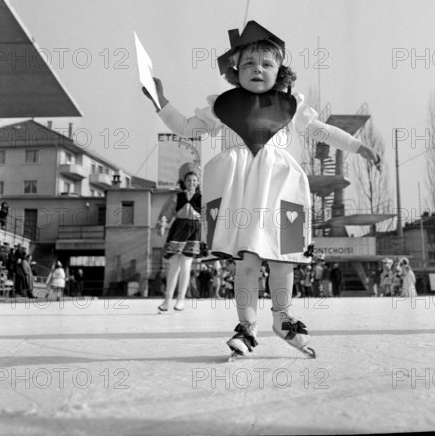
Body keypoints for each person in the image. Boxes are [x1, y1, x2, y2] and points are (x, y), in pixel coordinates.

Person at [144, 21, 380, 357]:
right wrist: (160, 100)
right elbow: (185, 127)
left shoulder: (290, 105)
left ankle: (282, 318)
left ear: (280, 70)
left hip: (284, 191)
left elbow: (322, 131)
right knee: (248, 263)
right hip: (242, 195)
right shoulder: (222, 106)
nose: (258, 69)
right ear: (235, 69)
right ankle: (247, 326)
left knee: (284, 261)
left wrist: (360, 147)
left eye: (268, 64)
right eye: (250, 63)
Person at [156, 165, 202, 312]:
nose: (192, 183)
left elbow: (210, 216)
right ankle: (167, 300)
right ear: (184, 181)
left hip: (194, 231)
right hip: (178, 230)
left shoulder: (202, 198)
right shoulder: (177, 197)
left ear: (198, 182)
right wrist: (162, 224)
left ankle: (181, 299)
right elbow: (167, 212)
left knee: (186, 267)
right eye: (189, 180)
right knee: (174, 267)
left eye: (195, 180)